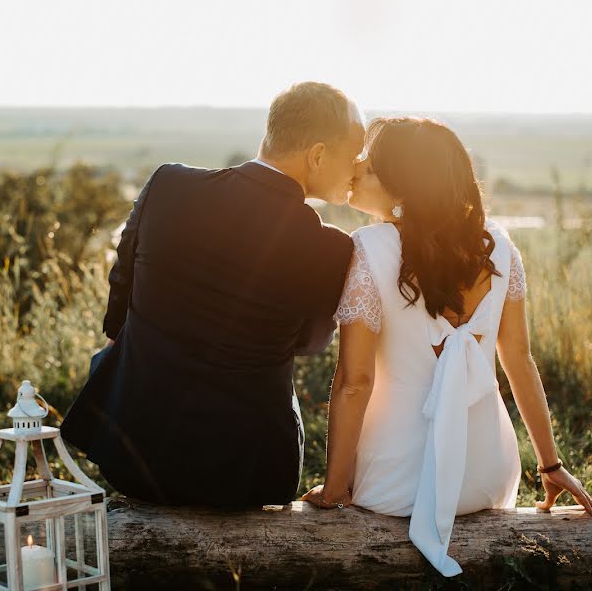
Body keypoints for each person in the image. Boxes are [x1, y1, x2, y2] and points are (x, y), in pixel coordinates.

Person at [302, 117, 592, 576]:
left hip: (396, 486)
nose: (358, 167)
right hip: (486, 477)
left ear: (401, 187)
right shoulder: (501, 248)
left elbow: (353, 383)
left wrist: (334, 488)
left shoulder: (367, 248)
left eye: (370, 163)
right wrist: (550, 464)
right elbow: (520, 363)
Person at [60, 82, 367, 507]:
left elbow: (123, 282)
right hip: (245, 476)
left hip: (130, 453)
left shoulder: (168, 184)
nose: (357, 169)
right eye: (353, 156)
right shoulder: (330, 248)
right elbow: (311, 343)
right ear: (316, 155)